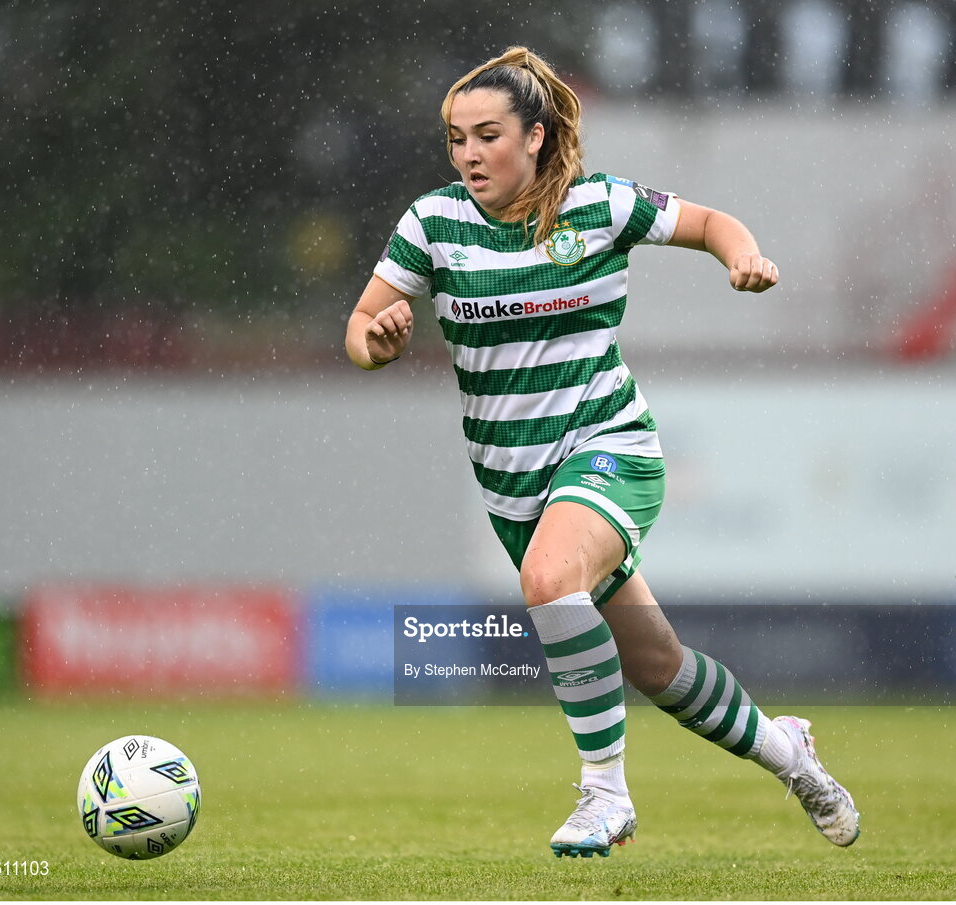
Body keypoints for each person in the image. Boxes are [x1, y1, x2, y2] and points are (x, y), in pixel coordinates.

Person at [345, 46, 859, 858]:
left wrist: (742, 257)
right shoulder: (431, 223)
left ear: (537, 136)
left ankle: (605, 794)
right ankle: (789, 751)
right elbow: (361, 330)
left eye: (487, 135)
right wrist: (377, 338)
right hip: (515, 487)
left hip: (610, 446)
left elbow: (710, 222)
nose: (469, 154)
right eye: (455, 138)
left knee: (548, 580)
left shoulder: (602, 205)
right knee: (659, 667)